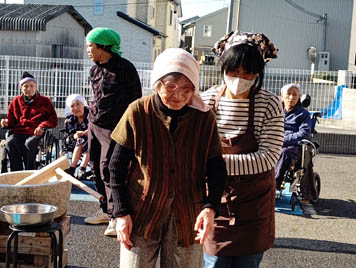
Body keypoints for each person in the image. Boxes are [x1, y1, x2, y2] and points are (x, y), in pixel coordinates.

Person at [109, 48, 227, 268]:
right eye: (171, 86)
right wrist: (121, 213)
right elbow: (115, 166)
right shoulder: (137, 112)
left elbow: (217, 168)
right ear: (157, 83)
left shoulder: (204, 118)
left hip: (188, 214)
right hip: (142, 211)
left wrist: (210, 208)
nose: (178, 95)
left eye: (187, 88)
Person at [201, 31, 284, 268]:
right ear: (223, 69)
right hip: (215, 200)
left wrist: (214, 162)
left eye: (247, 73)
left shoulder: (268, 103)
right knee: (214, 262)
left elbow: (267, 158)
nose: (239, 78)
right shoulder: (206, 101)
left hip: (254, 205)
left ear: (259, 73)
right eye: (232, 72)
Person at [84, 27, 142, 237]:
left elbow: (136, 101)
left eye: (91, 46)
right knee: (95, 168)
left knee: (110, 169)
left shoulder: (125, 69)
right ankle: (105, 210)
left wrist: (131, 129)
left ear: (104, 46)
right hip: (94, 124)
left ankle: (115, 216)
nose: (88, 50)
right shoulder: (94, 69)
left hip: (115, 128)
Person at [0, 71, 58, 171]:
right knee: (10, 143)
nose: (29, 89)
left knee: (29, 144)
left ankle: (30, 171)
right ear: (21, 88)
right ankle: (16, 172)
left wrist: (42, 126)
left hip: (35, 132)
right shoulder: (15, 101)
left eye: (31, 86)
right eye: (25, 86)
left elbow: (53, 119)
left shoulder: (45, 101)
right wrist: (6, 122)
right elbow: (11, 120)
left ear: (36, 87)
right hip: (19, 131)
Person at [275, 83, 311, 190]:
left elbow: (304, 133)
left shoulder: (303, 114)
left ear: (299, 97)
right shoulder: (276, 110)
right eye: (288, 94)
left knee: (284, 152)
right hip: (275, 141)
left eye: (295, 95)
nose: (291, 97)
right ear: (282, 96)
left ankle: (275, 183)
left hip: (293, 146)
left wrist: (283, 140)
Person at [63, 94, 90, 180]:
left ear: (83, 104)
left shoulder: (91, 115)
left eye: (78, 104)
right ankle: (76, 168)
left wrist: (88, 132)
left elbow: (98, 128)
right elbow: (67, 136)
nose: (76, 108)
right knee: (80, 140)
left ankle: (79, 168)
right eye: (72, 106)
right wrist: (74, 135)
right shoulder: (69, 120)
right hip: (75, 143)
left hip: (91, 141)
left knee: (88, 142)